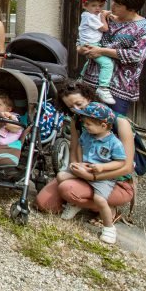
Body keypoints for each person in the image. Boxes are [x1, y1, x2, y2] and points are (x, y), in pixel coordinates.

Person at [35, 79, 137, 225]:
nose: (76, 109)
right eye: (70, 107)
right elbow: (75, 149)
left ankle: (108, 208)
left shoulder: (119, 123)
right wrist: (77, 169)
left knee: (67, 189)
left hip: (114, 180)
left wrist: (93, 176)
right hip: (86, 172)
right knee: (43, 204)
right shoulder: (77, 120)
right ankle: (83, 199)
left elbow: (126, 167)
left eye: (79, 104)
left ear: (89, 98)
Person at [56, 102, 127, 244]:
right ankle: (74, 203)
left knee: (99, 199)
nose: (85, 126)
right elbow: (80, 147)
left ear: (103, 126)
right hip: (85, 168)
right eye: (85, 123)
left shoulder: (114, 143)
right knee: (61, 176)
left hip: (103, 177)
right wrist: (79, 162)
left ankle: (109, 227)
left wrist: (102, 168)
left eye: (89, 124)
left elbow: (121, 162)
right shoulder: (87, 135)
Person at [78, 0, 146, 117]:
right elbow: (84, 36)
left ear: (131, 8)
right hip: (91, 81)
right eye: (113, 2)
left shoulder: (145, 27)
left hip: (120, 86)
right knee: (85, 122)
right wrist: (80, 48)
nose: (112, 6)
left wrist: (102, 51)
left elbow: (137, 55)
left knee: (115, 124)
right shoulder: (105, 18)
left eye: (118, 5)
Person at [78, 0, 116, 105]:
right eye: (93, 5)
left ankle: (81, 78)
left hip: (89, 43)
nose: (97, 8)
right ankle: (103, 88)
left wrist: (106, 13)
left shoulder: (89, 15)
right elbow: (104, 28)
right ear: (85, 5)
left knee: (91, 60)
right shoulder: (89, 17)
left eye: (100, 6)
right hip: (91, 44)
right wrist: (104, 16)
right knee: (107, 64)